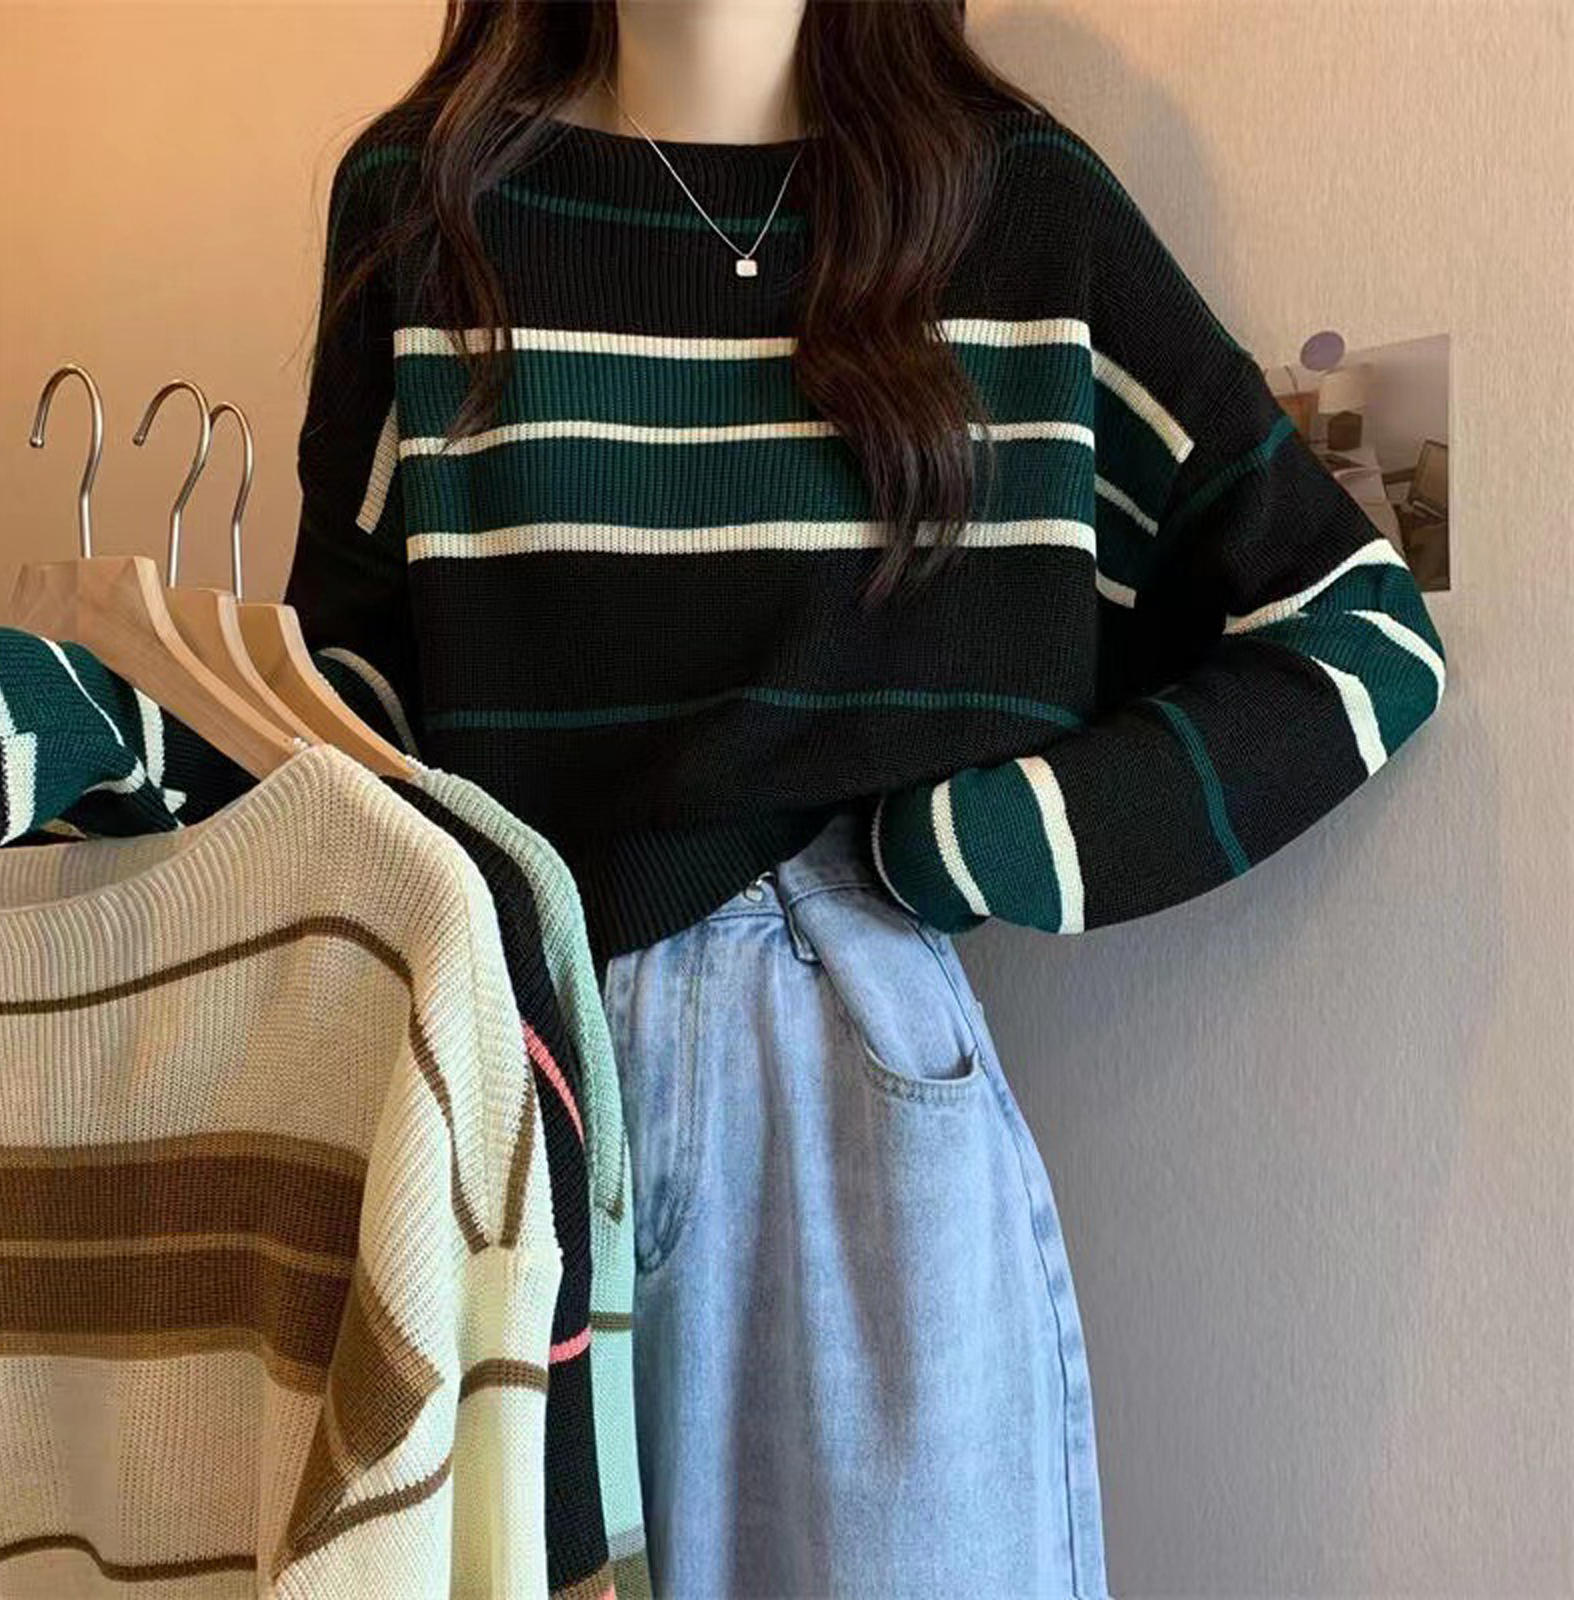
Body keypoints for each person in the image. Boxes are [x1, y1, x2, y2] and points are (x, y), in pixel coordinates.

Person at [284, 3, 1448, 1595]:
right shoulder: (431, 203)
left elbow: (1357, 637)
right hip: (498, 1074)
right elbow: (343, 704)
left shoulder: (1013, 208)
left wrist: (981, 844)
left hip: (848, 1065)